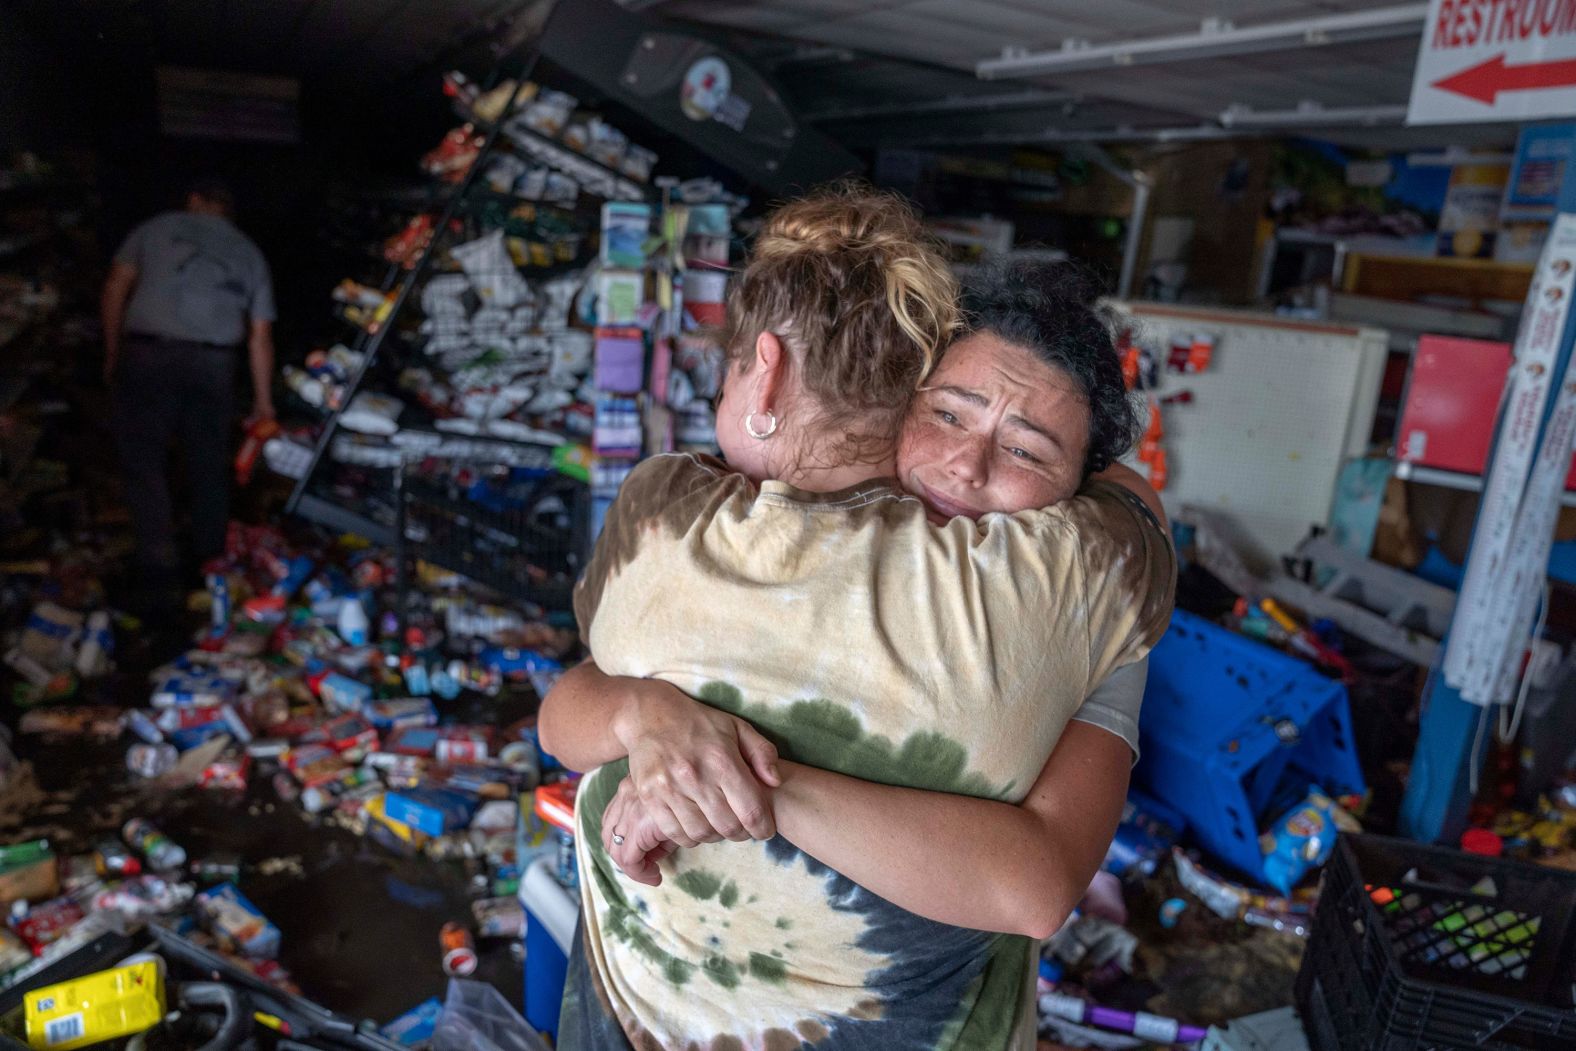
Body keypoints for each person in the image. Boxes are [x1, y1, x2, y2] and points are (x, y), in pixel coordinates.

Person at [539, 186, 1175, 1050]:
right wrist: (647, 716)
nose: (966, 460)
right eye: (946, 411)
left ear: (1077, 496)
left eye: (1027, 450)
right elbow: (569, 710)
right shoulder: (750, 517)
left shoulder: (1082, 613)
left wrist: (747, 780)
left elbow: (1035, 884)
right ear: (896, 395)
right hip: (631, 1009)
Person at [101, 178, 277, 609]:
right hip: (213, 364)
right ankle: (210, 559)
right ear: (228, 211)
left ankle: (158, 563)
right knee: (209, 458)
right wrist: (263, 400)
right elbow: (259, 336)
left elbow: (115, 288)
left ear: (194, 201)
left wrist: (111, 351)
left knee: (144, 460)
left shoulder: (155, 227)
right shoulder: (250, 252)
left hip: (149, 354)